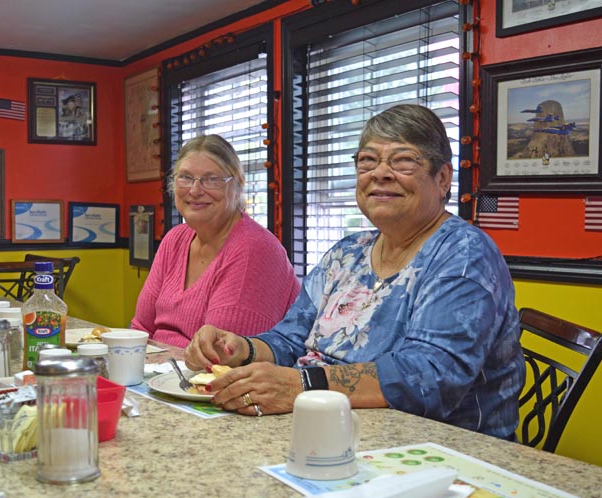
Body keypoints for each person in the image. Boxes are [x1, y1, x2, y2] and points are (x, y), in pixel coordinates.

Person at [184, 105, 526, 440]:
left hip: (440, 450)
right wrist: (240, 348)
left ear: (443, 178)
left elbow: (430, 378)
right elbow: (291, 338)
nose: (380, 173)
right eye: (367, 161)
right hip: (334, 427)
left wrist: (301, 385)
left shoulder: (463, 254)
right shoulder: (348, 252)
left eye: (403, 160)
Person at [131, 134, 300, 348]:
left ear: (237, 186)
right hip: (159, 374)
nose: (195, 190)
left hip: (211, 378)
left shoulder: (254, 248)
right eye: (185, 177)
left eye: (212, 180)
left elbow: (221, 356)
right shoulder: (175, 239)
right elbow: (140, 328)